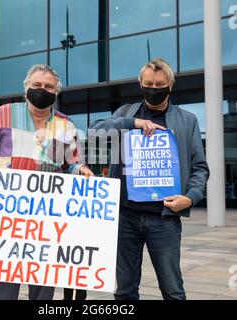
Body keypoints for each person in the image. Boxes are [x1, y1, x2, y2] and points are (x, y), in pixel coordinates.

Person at [0, 63, 93, 300]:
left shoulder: (65, 124)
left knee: (43, 290)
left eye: (48, 86)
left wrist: (82, 170)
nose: (42, 89)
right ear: (26, 87)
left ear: (56, 92)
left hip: (46, 217)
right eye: (37, 85)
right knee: (2, 289)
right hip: (7, 216)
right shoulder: (4, 113)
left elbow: (70, 164)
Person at [89, 58, 209, 300]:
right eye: (148, 84)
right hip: (125, 217)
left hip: (164, 218)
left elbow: (200, 167)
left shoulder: (187, 120)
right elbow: (95, 131)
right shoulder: (125, 112)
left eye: (159, 84)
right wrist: (131, 123)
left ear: (170, 86)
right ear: (140, 84)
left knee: (173, 291)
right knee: (124, 292)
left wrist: (190, 198)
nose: (153, 89)